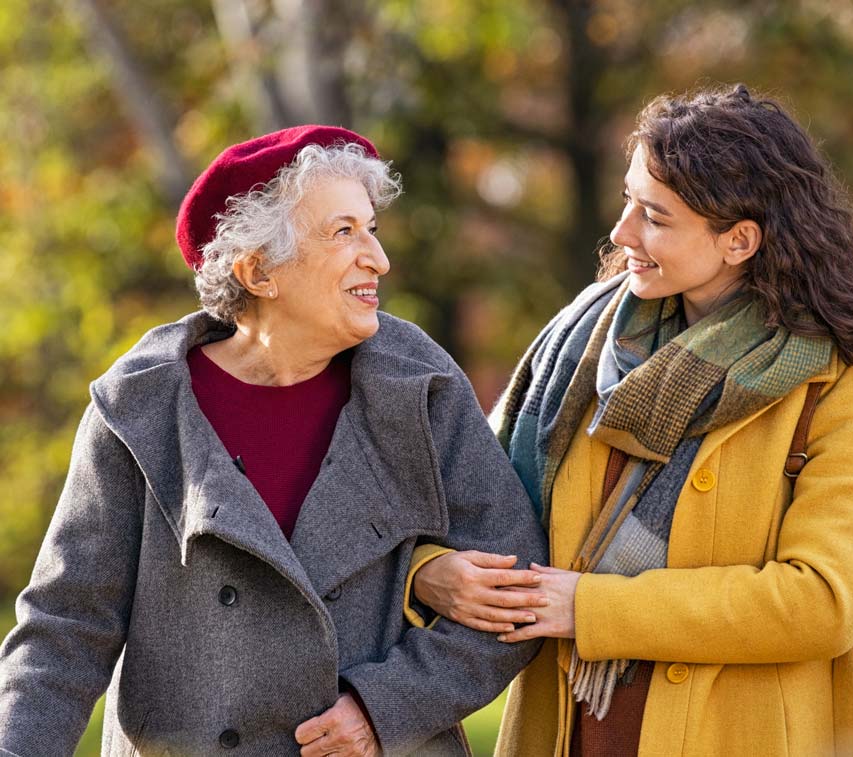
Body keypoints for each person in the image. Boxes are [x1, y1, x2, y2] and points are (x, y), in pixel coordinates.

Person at [409, 85, 853, 756]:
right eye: (629, 200)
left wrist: (592, 609)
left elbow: (822, 601)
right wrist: (432, 568)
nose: (623, 232)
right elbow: (464, 500)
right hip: (565, 731)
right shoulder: (584, 344)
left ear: (739, 239)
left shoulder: (852, 377)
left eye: (654, 216)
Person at [0, 126, 547, 756]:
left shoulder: (416, 382)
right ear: (259, 271)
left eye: (372, 229)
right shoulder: (140, 408)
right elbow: (65, 629)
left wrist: (385, 707)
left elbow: (517, 585)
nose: (377, 257)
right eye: (344, 233)